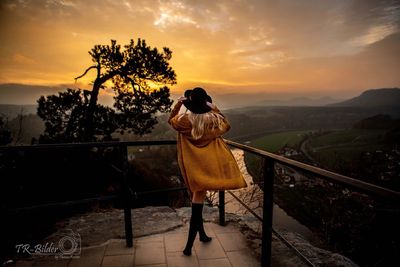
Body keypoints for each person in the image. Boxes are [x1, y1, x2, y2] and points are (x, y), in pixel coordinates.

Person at [168, 87, 247, 256]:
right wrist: (214, 108)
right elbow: (227, 125)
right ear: (205, 104)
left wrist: (178, 104)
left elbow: (171, 120)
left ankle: (190, 245)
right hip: (209, 167)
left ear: (189, 104)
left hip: (194, 168)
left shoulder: (184, 122)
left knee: (197, 203)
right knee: (198, 204)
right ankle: (197, 239)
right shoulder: (211, 121)